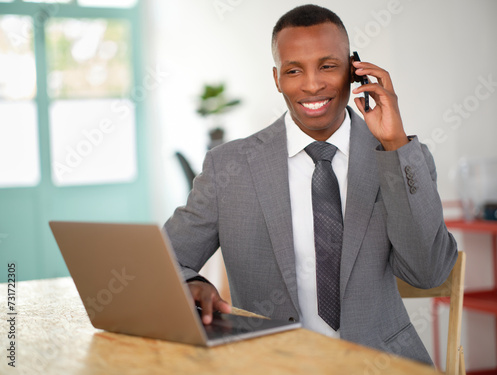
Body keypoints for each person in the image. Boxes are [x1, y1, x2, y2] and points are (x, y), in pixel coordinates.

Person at [163, 4, 457, 365]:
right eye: (293, 70)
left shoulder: (403, 156)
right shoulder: (229, 167)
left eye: (328, 66)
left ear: (354, 70)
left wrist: (394, 145)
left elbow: (428, 273)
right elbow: (165, 261)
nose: (313, 84)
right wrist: (192, 284)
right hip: (269, 365)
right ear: (276, 78)